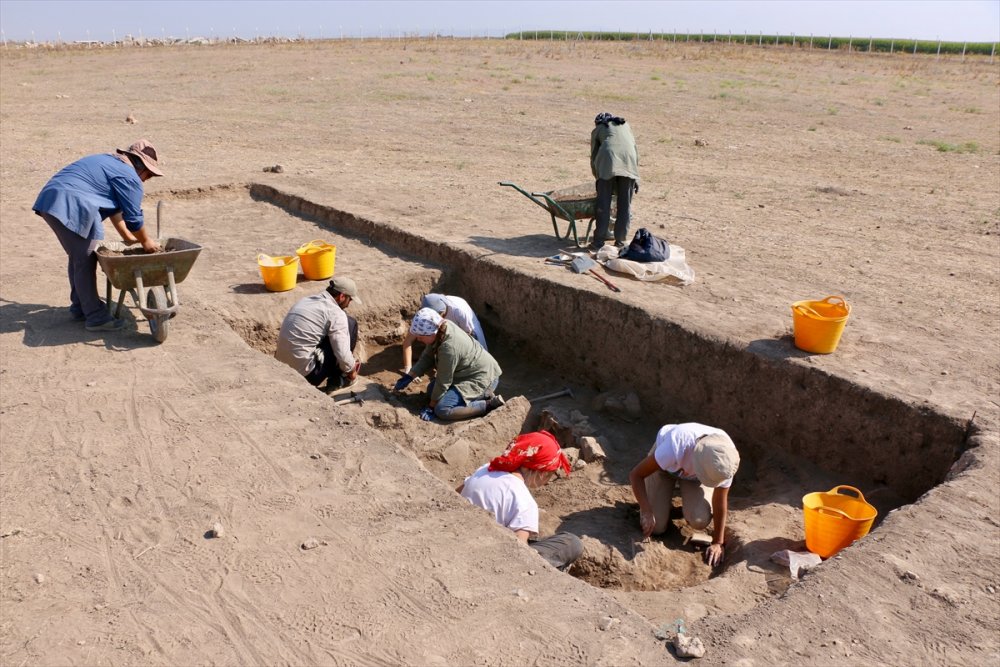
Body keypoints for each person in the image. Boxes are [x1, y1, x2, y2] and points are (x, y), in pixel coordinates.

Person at [33, 140, 164, 331]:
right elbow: (134, 219)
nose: (146, 179)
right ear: (140, 165)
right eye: (149, 174)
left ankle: (80, 308)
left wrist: (128, 238)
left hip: (54, 199)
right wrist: (146, 241)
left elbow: (114, 211)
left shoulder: (111, 163)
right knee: (84, 258)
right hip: (71, 202)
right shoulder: (130, 177)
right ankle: (96, 317)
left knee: (80, 256)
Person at [457, 431, 583, 570]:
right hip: (485, 558)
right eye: (550, 474)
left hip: (460, 533)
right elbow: (518, 557)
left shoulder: (486, 468)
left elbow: (455, 495)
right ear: (541, 472)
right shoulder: (525, 501)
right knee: (572, 543)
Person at [628, 423, 740, 568]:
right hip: (663, 469)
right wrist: (647, 510)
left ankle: (676, 503)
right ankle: (660, 494)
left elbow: (720, 500)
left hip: (693, 478)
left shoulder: (725, 462)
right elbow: (636, 475)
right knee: (657, 528)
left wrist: (718, 542)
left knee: (699, 520)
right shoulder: (675, 446)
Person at [394, 307, 503, 421]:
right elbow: (427, 357)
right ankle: (476, 397)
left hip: (484, 377)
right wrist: (410, 375)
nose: (419, 339)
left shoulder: (448, 347)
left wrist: (431, 407)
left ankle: (488, 404)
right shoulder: (442, 329)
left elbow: (443, 381)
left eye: (421, 337)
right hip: (466, 372)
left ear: (432, 332)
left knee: (442, 409)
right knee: (432, 390)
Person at [274, 277, 362, 390]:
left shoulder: (305, 300)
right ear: (342, 297)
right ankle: (338, 379)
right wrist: (352, 372)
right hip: (307, 376)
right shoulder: (335, 313)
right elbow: (342, 353)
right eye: (350, 300)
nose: (349, 304)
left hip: (281, 367)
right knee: (350, 323)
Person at [400, 293, 487, 374]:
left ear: (441, 313)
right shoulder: (424, 316)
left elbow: (469, 338)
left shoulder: (459, 312)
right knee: (434, 346)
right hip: (443, 332)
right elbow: (408, 342)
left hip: (467, 330)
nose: (418, 339)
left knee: (478, 357)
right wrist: (409, 369)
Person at [590, 112, 639, 251]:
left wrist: (599, 178)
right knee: (625, 205)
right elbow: (635, 150)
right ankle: (621, 241)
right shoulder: (626, 125)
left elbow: (594, 155)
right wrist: (635, 177)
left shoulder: (599, 129)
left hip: (608, 162)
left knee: (603, 204)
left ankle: (598, 241)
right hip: (629, 164)